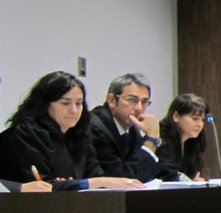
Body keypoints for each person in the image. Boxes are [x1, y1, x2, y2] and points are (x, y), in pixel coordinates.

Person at [0, 71, 143, 191]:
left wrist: (96, 182)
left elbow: (96, 176)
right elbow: (40, 186)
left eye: (79, 103)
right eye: (65, 103)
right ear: (45, 104)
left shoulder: (79, 135)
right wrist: (93, 183)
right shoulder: (26, 134)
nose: (74, 110)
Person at [90, 72, 162, 182]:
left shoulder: (132, 129)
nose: (139, 108)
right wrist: (151, 140)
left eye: (144, 102)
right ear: (112, 100)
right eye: (132, 100)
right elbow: (120, 180)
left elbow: (147, 173)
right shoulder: (96, 128)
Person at [156, 93, 210, 181]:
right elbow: (167, 175)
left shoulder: (193, 143)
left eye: (203, 120)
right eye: (195, 118)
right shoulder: (161, 139)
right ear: (176, 116)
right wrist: (190, 182)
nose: (200, 124)